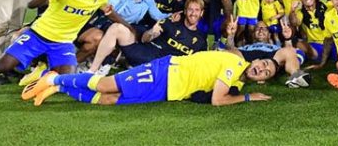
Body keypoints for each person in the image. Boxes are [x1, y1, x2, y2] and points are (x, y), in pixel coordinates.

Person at [21, 50, 274, 106]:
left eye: (266, 72)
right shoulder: (235, 64)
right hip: (166, 71)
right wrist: (248, 97)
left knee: (111, 100)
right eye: (263, 63)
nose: (260, 69)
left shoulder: (237, 82)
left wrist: (241, 92)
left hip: (168, 92)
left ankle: (59, 88)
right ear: (255, 60)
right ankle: (52, 79)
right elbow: (218, 100)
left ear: (262, 79)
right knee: (106, 84)